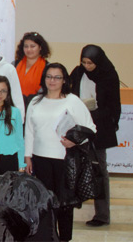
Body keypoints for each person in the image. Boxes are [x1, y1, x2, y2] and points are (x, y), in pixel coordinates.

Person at [25, 63, 96, 242]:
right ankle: (48, 237)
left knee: (64, 204)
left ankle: (64, 239)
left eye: (57, 77)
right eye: (49, 76)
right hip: (40, 159)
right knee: (45, 203)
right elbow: (29, 131)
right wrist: (27, 156)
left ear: (64, 80)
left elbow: (91, 128)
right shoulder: (35, 101)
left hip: (64, 160)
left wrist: (75, 141)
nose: (52, 81)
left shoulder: (72, 101)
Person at [69, 45, 121, 227]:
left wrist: (92, 113)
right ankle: (71, 206)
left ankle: (102, 215)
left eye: (90, 63)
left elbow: (113, 107)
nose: (87, 66)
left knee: (98, 171)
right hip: (78, 127)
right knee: (73, 168)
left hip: (99, 129)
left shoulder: (109, 76)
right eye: (84, 62)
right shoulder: (78, 72)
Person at [14, 32, 51, 109]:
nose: (29, 49)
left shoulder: (48, 67)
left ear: (40, 47)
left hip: (38, 106)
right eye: (26, 46)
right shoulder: (14, 65)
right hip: (15, 105)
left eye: (32, 46)